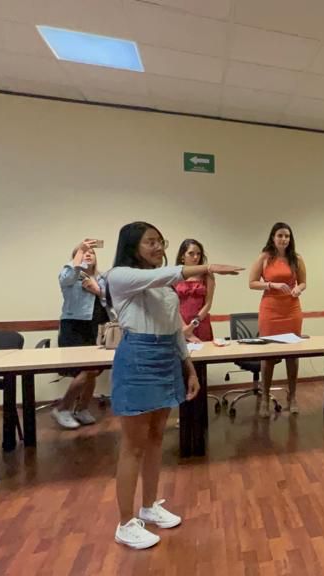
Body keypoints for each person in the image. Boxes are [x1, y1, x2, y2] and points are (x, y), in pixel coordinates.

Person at [107, 221, 242, 549]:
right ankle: (125, 523)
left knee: (156, 438)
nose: (158, 247)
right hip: (138, 358)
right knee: (133, 445)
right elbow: (165, 274)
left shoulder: (164, 282)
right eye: (150, 242)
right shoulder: (120, 276)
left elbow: (173, 328)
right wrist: (207, 268)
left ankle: (149, 506)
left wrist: (189, 367)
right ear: (132, 246)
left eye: (160, 241)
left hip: (167, 355)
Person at [248, 222, 307, 417]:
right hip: (270, 309)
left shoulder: (296, 258)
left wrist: (298, 288)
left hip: (291, 309)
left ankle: (293, 396)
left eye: (287, 236)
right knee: (268, 356)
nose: (284, 239)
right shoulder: (264, 257)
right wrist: (271, 285)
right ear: (273, 237)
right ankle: (265, 397)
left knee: (293, 355)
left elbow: (303, 282)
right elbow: (252, 283)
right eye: (280, 235)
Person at [52, 240, 109, 430]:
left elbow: (111, 301)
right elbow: (66, 278)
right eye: (84, 251)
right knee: (85, 370)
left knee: (93, 370)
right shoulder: (70, 273)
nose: (88, 253)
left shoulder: (101, 278)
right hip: (74, 327)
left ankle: (82, 408)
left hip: (95, 327)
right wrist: (79, 251)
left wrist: (97, 290)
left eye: (92, 251)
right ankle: (62, 408)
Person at [174, 239, 215, 343]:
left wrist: (193, 324)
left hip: (200, 322)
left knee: (203, 351)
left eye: (198, 254)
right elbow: (173, 305)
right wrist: (185, 328)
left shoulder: (207, 275)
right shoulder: (175, 275)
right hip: (180, 324)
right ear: (182, 256)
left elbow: (208, 304)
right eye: (191, 253)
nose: (196, 257)